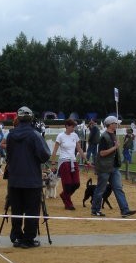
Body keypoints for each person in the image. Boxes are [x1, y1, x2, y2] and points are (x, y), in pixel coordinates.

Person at [5, 106, 51, 248]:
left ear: (18, 118)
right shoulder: (34, 134)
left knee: (16, 209)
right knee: (32, 210)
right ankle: (28, 239)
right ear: (31, 118)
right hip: (31, 178)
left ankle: (16, 236)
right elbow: (45, 155)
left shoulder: (11, 135)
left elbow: (8, 155)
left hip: (14, 178)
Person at [91, 116, 136, 218]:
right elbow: (102, 153)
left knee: (118, 188)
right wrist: (115, 148)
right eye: (115, 123)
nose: (117, 125)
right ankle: (95, 209)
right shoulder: (104, 137)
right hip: (105, 168)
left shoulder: (114, 135)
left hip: (114, 167)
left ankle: (125, 210)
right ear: (110, 124)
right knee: (100, 189)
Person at [50, 118, 86, 211]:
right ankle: (68, 203)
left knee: (76, 183)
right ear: (66, 126)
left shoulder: (75, 135)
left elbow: (79, 148)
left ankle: (64, 195)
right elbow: (54, 151)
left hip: (73, 161)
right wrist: (53, 163)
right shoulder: (60, 136)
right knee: (68, 184)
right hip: (64, 162)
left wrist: (86, 159)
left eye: (74, 126)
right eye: (72, 126)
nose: (73, 128)